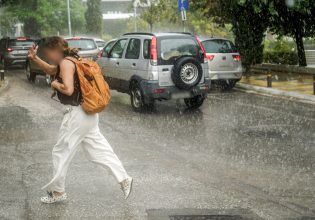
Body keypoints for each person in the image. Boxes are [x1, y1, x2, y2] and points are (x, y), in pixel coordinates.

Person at [28, 36, 133, 204]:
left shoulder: (65, 63)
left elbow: (68, 90)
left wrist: (55, 85)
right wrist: (35, 59)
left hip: (77, 114)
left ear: (56, 50)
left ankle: (58, 192)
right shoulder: (72, 60)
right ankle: (124, 179)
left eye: (48, 53)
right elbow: (50, 69)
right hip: (88, 114)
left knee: (60, 152)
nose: (48, 57)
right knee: (98, 150)